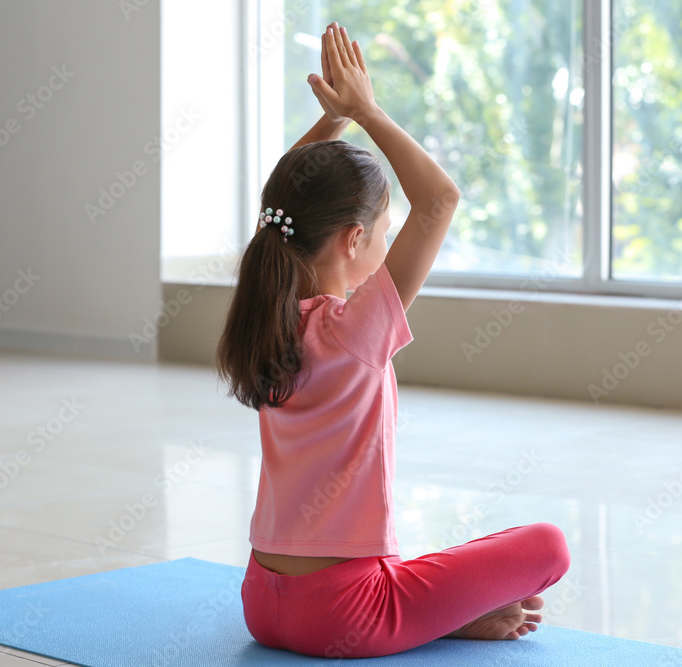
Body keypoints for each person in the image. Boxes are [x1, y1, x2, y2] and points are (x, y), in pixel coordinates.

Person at [216, 21, 570, 659]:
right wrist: (366, 111)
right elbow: (439, 198)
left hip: (261, 605)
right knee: (548, 546)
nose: (386, 244)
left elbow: (282, 215)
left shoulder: (267, 317)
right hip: (343, 615)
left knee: (411, 566)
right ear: (353, 240)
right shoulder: (354, 331)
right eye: (381, 231)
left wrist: (334, 125)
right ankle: (436, 612)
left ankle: (442, 610)